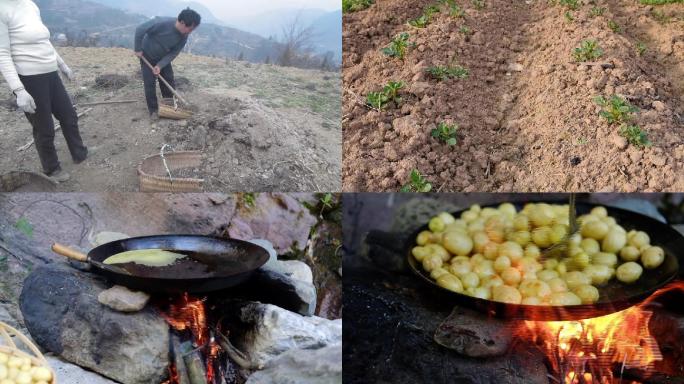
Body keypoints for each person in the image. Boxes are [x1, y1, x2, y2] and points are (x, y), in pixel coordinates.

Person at [0, 0, 88, 182]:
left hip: (50, 73)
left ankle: (79, 153)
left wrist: (62, 65)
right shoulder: (2, 9)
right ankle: (52, 168)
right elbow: (2, 53)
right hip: (29, 78)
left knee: (69, 115)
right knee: (44, 127)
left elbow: (44, 40)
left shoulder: (30, 5)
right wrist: (19, 90)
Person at [134, 8, 201, 120]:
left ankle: (170, 106)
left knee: (168, 80)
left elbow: (174, 52)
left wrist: (160, 65)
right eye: (190, 29)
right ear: (182, 23)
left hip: (163, 58)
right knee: (149, 83)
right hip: (147, 55)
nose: (190, 33)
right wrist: (138, 48)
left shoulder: (184, 36)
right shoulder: (161, 23)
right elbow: (140, 29)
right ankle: (154, 110)